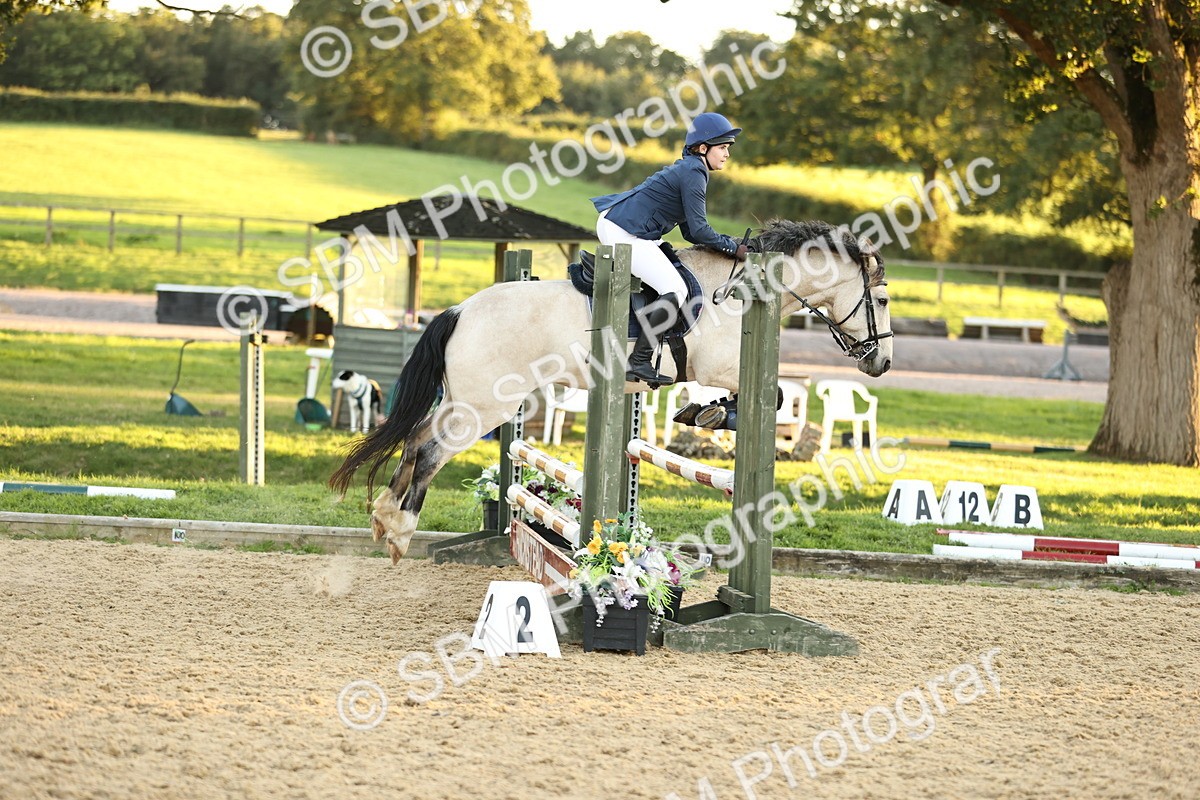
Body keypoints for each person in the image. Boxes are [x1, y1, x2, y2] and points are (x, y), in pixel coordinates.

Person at [591, 112, 749, 385]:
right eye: (722, 147)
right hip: (624, 231)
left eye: (727, 148)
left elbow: (689, 231)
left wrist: (729, 244)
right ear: (703, 148)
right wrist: (730, 248)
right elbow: (699, 231)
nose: (726, 154)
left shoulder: (691, 168)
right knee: (676, 289)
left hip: (629, 228)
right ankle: (639, 360)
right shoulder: (694, 171)